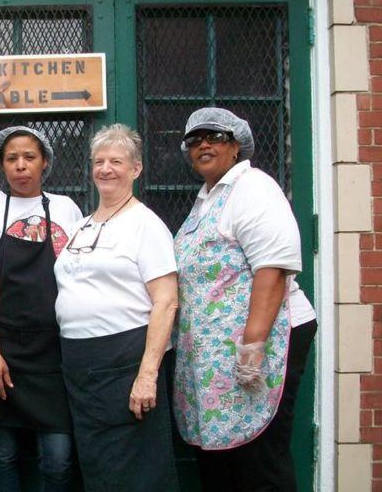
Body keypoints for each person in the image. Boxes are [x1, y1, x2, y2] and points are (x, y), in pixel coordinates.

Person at [172, 107, 317, 491]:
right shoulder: (206, 200)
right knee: (224, 460)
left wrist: (253, 347)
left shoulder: (253, 188)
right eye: (194, 139)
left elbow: (273, 267)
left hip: (257, 346)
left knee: (259, 460)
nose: (203, 144)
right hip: (215, 359)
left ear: (236, 146)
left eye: (215, 137)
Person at [54, 124, 179, 492]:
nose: (106, 169)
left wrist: (147, 375)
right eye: (99, 161)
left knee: (133, 468)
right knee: (98, 468)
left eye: (117, 161)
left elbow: (166, 301)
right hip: (80, 364)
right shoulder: (81, 225)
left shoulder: (146, 225)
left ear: (136, 169)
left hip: (123, 362)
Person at [0, 126, 82, 492]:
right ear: (1, 166)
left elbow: (79, 277)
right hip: (6, 349)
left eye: (29, 157)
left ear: (44, 162)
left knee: (58, 456)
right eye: (12, 158)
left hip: (56, 350)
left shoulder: (65, 207)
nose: (21, 166)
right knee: (2, 455)